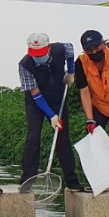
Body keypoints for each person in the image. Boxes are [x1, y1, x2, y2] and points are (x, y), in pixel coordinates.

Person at [18, 33, 83, 194]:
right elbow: (36, 94)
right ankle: (27, 180)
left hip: (57, 96)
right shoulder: (25, 65)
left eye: (41, 54)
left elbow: (71, 51)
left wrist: (71, 72)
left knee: (62, 138)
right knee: (33, 137)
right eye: (35, 55)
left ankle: (72, 181)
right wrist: (51, 115)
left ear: (49, 48)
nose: (38, 57)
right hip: (35, 101)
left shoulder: (61, 48)